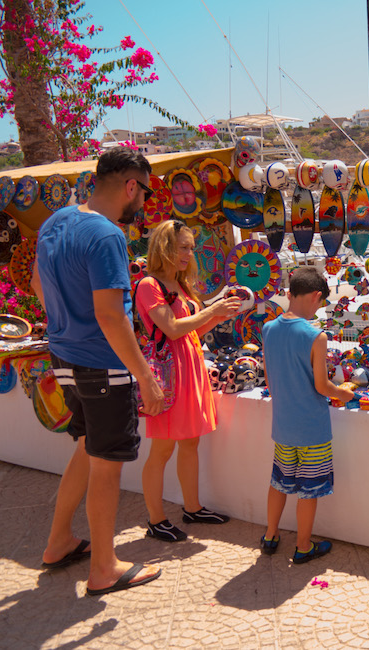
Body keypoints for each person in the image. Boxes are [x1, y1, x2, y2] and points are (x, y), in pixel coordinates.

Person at [31, 146, 164, 596]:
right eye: (145, 193)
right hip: (103, 366)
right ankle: (104, 569)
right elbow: (111, 315)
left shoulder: (57, 221)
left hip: (64, 357)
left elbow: (37, 283)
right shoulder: (107, 235)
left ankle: (58, 542)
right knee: (107, 466)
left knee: (87, 450)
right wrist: (145, 376)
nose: (143, 202)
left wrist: (67, 324)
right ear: (130, 186)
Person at [135, 220, 242, 542]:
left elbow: (190, 332)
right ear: (165, 247)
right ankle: (155, 520)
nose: (189, 254)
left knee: (190, 442)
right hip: (170, 375)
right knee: (162, 449)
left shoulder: (178, 284)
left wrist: (218, 316)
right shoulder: (149, 285)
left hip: (189, 368)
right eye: (183, 247)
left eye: (191, 248)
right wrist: (212, 311)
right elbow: (172, 329)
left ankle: (192, 507)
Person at [260, 267, 354, 562]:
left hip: (283, 426)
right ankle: (303, 546)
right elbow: (322, 386)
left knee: (278, 483)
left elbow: (270, 379)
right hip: (312, 429)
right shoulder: (316, 336)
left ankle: (271, 535)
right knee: (308, 491)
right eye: (321, 302)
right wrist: (344, 393)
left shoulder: (268, 328)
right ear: (315, 296)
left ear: (290, 294)